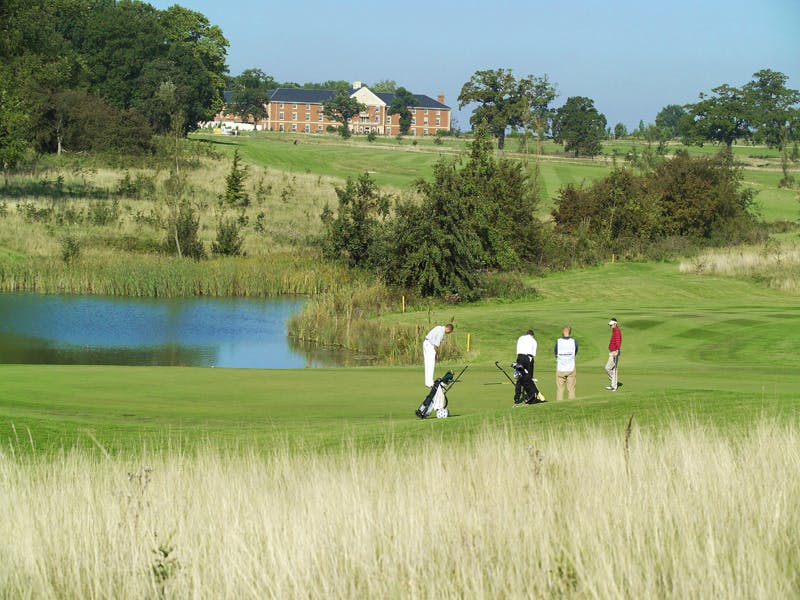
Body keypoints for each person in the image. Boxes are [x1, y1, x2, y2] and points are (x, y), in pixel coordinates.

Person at [514, 329, 544, 404]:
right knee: (528, 378)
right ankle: (531, 396)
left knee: (519, 377)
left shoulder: (521, 338)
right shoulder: (534, 341)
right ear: (532, 335)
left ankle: (517, 398)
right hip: (528, 358)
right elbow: (533, 355)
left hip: (519, 357)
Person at [554, 325, 578, 400]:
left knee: (560, 389)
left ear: (562, 332)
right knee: (571, 389)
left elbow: (555, 352)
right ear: (570, 332)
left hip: (561, 368)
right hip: (571, 368)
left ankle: (559, 405)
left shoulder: (558, 341)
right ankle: (572, 405)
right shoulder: (574, 342)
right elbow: (575, 352)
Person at [605, 318, 622, 391]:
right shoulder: (614, 330)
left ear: (615, 324)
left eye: (611, 325)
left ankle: (614, 384)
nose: (610, 326)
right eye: (610, 325)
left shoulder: (617, 331)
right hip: (612, 351)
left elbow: (618, 341)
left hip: (614, 352)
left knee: (608, 368)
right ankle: (613, 385)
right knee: (613, 369)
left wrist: (617, 351)